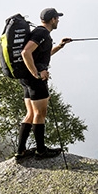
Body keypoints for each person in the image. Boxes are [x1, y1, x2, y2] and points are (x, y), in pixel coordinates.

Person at [15, 8, 73, 159]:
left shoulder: (39, 33)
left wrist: (60, 46)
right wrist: (37, 74)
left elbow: (41, 55)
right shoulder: (42, 34)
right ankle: (41, 151)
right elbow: (26, 52)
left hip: (26, 78)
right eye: (57, 18)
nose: (58, 20)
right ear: (53, 19)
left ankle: (20, 151)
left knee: (31, 113)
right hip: (35, 79)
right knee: (40, 114)